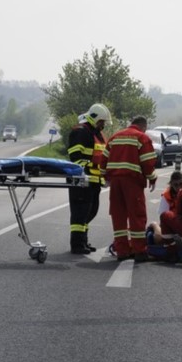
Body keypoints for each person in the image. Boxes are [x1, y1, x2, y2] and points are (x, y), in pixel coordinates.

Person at [103, 115, 158, 262]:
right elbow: (148, 163)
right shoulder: (142, 138)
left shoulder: (115, 137)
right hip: (132, 182)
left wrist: (106, 177)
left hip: (115, 183)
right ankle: (139, 251)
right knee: (137, 216)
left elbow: (103, 159)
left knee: (118, 215)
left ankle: (122, 251)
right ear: (143, 127)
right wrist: (152, 178)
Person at [67, 103, 110, 254]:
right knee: (80, 212)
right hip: (81, 180)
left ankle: (83, 241)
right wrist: (93, 167)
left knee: (90, 211)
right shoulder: (80, 132)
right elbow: (75, 159)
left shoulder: (95, 133)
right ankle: (77, 244)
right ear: (94, 119)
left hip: (93, 180)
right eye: (101, 122)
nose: (103, 125)